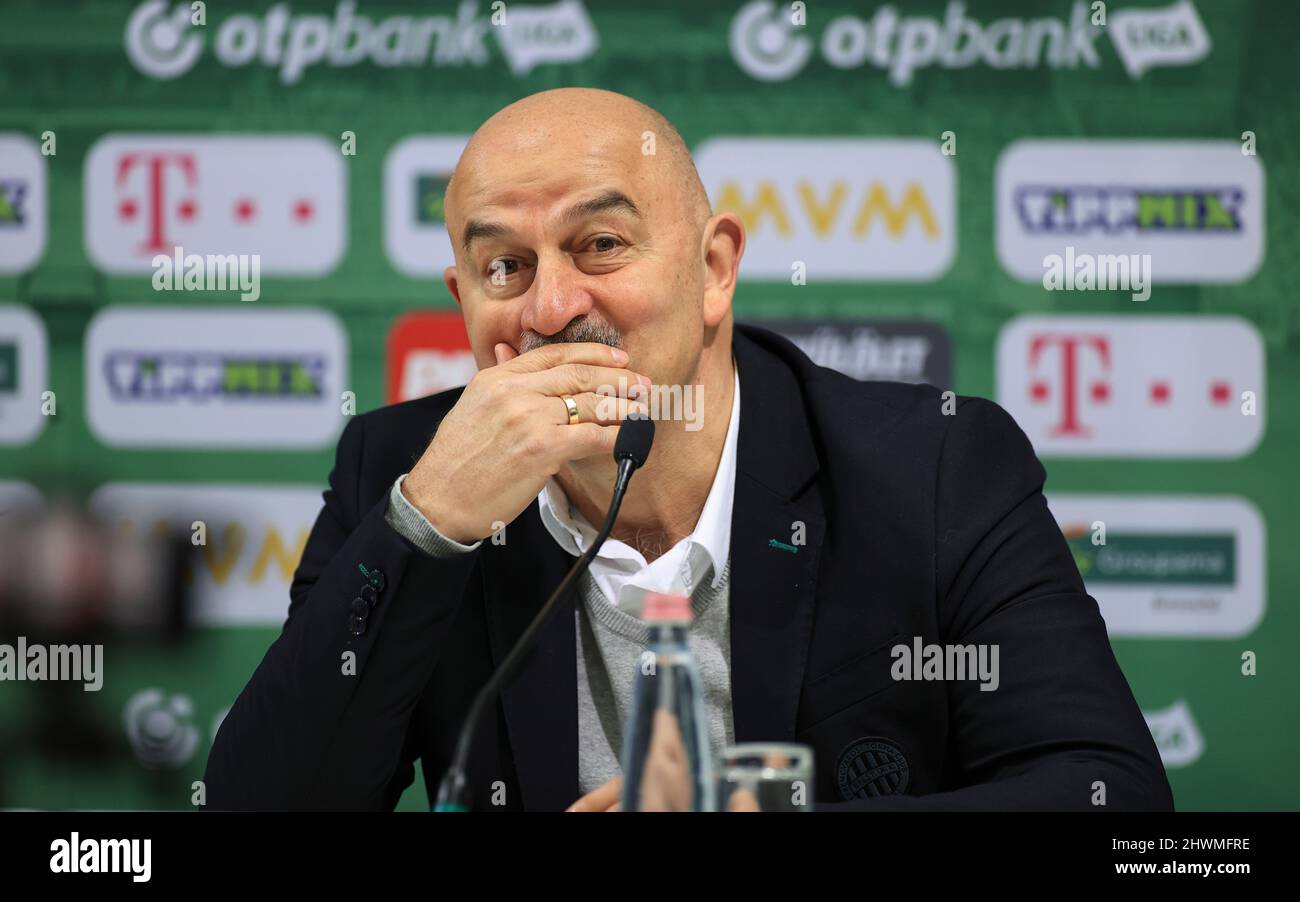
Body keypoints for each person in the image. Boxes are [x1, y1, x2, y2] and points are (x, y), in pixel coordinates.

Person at [204, 87, 1173, 812]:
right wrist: (429, 525)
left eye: (601, 245)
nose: (549, 309)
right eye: (504, 265)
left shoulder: (932, 464)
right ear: (462, 298)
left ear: (714, 269)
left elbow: (1106, 794)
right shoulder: (403, 469)